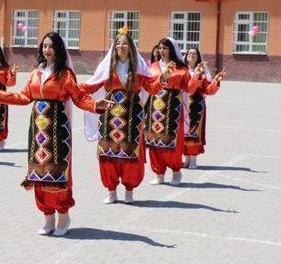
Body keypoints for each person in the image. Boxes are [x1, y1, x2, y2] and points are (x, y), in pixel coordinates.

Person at [0, 32, 112, 237]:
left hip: (57, 132)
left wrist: (95, 105)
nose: (47, 50)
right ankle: (47, 217)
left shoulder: (65, 75)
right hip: (37, 132)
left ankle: (63, 216)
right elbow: (23, 96)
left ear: (59, 49)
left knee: (57, 174)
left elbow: (79, 97)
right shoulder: (37, 73)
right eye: (44, 46)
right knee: (39, 172)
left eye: (51, 46)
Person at [80, 30, 158, 204]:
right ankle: (111, 190)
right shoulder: (107, 67)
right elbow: (93, 85)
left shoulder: (138, 68)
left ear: (130, 47)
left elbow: (152, 87)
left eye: (124, 43)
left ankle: (129, 190)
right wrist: (73, 88)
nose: (120, 46)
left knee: (130, 152)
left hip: (132, 115)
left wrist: (163, 79)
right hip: (109, 115)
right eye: (117, 43)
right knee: (108, 152)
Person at [144, 38, 201, 186]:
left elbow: (189, 88)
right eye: (160, 47)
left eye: (165, 48)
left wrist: (196, 76)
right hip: (154, 108)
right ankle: (159, 173)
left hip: (173, 108)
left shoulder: (181, 68)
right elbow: (147, 85)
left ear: (172, 50)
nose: (162, 50)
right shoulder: (152, 66)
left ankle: (176, 172)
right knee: (154, 141)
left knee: (173, 142)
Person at [183, 48, 226, 169]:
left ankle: (193, 160)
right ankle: (186, 159)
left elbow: (207, 90)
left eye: (194, 54)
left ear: (198, 58)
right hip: (183, 106)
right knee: (184, 133)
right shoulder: (182, 70)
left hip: (196, 106)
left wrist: (216, 81)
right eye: (189, 53)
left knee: (194, 132)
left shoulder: (201, 73)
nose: (191, 55)